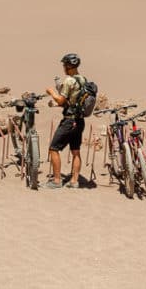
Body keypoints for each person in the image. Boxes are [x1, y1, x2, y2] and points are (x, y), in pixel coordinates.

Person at [44, 52, 89, 189]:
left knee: (53, 148)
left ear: (68, 66)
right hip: (80, 121)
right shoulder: (83, 79)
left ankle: (57, 181)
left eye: (64, 65)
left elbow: (61, 100)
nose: (63, 67)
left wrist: (51, 92)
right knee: (75, 151)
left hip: (69, 121)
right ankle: (75, 181)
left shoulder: (69, 81)